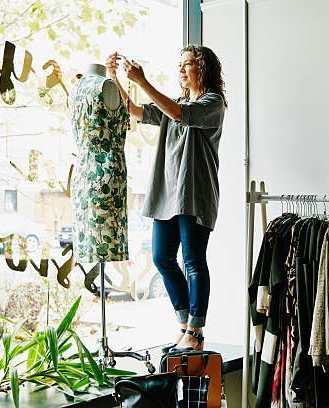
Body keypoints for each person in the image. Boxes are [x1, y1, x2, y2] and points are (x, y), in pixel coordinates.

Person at [105, 45, 227, 351]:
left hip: (194, 194)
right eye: (180, 65)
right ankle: (185, 324)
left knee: (193, 261)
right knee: (161, 257)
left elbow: (179, 114)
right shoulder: (175, 104)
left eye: (188, 64)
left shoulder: (213, 103)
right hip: (167, 194)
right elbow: (132, 110)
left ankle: (196, 331)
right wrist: (114, 77)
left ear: (204, 69)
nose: (182, 70)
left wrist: (144, 81)